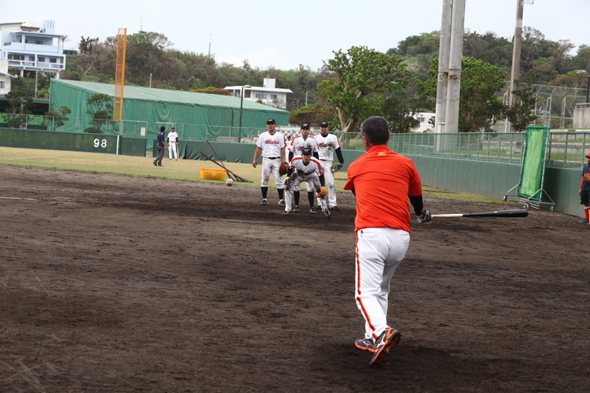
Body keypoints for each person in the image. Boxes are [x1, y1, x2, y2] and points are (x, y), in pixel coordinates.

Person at [343, 116, 431, 368]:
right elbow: (416, 198)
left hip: (372, 235)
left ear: (364, 140)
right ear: (389, 136)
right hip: (401, 238)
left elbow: (360, 193)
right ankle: (373, 337)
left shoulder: (357, 166)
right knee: (380, 289)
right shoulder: (406, 163)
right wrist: (422, 213)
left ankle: (382, 332)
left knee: (363, 294)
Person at [282, 148, 329, 217]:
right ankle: (287, 209)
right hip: (298, 174)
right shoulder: (295, 159)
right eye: (304, 155)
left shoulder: (316, 162)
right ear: (301, 155)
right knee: (288, 188)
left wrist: (322, 185)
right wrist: (288, 176)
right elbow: (290, 167)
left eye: (307, 155)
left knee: (320, 190)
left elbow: (321, 175)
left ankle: (325, 209)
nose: (306, 157)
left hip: (311, 175)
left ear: (311, 156)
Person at [252, 118, 288, 206]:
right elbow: (258, 148)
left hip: (277, 160)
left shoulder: (280, 135)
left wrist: (283, 160)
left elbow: (283, 148)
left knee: (279, 180)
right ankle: (264, 199)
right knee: (264, 179)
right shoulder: (263, 135)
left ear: (275, 125)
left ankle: (281, 199)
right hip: (266, 160)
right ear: (267, 125)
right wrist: (255, 159)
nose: (270, 125)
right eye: (268, 124)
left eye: (272, 124)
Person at [289, 123, 320, 213]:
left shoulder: (313, 140)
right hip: (298, 166)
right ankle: (296, 206)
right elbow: (291, 152)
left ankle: (311, 207)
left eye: (307, 129)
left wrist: (315, 165)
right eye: (303, 129)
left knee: (310, 187)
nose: (305, 130)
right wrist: (291, 165)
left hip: (309, 166)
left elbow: (316, 153)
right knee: (296, 187)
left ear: (309, 130)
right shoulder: (295, 140)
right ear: (301, 130)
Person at [314, 121, 344, 210]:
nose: (323, 128)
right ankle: (320, 203)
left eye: (325, 127)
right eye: (322, 127)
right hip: (318, 161)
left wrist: (341, 161)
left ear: (328, 128)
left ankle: (332, 203)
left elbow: (338, 149)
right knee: (318, 183)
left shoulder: (333, 137)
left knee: (331, 183)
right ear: (319, 128)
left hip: (328, 162)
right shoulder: (315, 138)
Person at [578, 152, 590, 223]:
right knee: (585, 203)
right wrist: (580, 188)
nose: (588, 159)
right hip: (585, 188)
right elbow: (582, 179)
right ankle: (587, 219)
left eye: (589, 158)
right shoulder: (585, 168)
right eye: (587, 158)